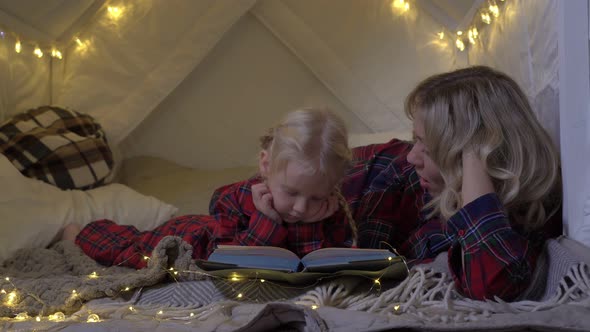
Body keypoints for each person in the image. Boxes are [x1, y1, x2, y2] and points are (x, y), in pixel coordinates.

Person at [342, 65, 562, 301]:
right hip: (354, 172)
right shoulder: (402, 174)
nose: (413, 156)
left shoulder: (527, 214)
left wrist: (474, 150)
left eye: (427, 147)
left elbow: (492, 285)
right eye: (415, 139)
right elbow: (368, 264)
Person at [62, 107, 357, 269]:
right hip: (192, 240)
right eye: (291, 192)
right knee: (129, 248)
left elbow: (320, 264)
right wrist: (267, 221)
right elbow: (229, 262)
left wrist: (325, 229)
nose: (301, 208)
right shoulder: (235, 199)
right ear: (266, 165)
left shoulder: (331, 209)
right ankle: (79, 233)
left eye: (316, 197)